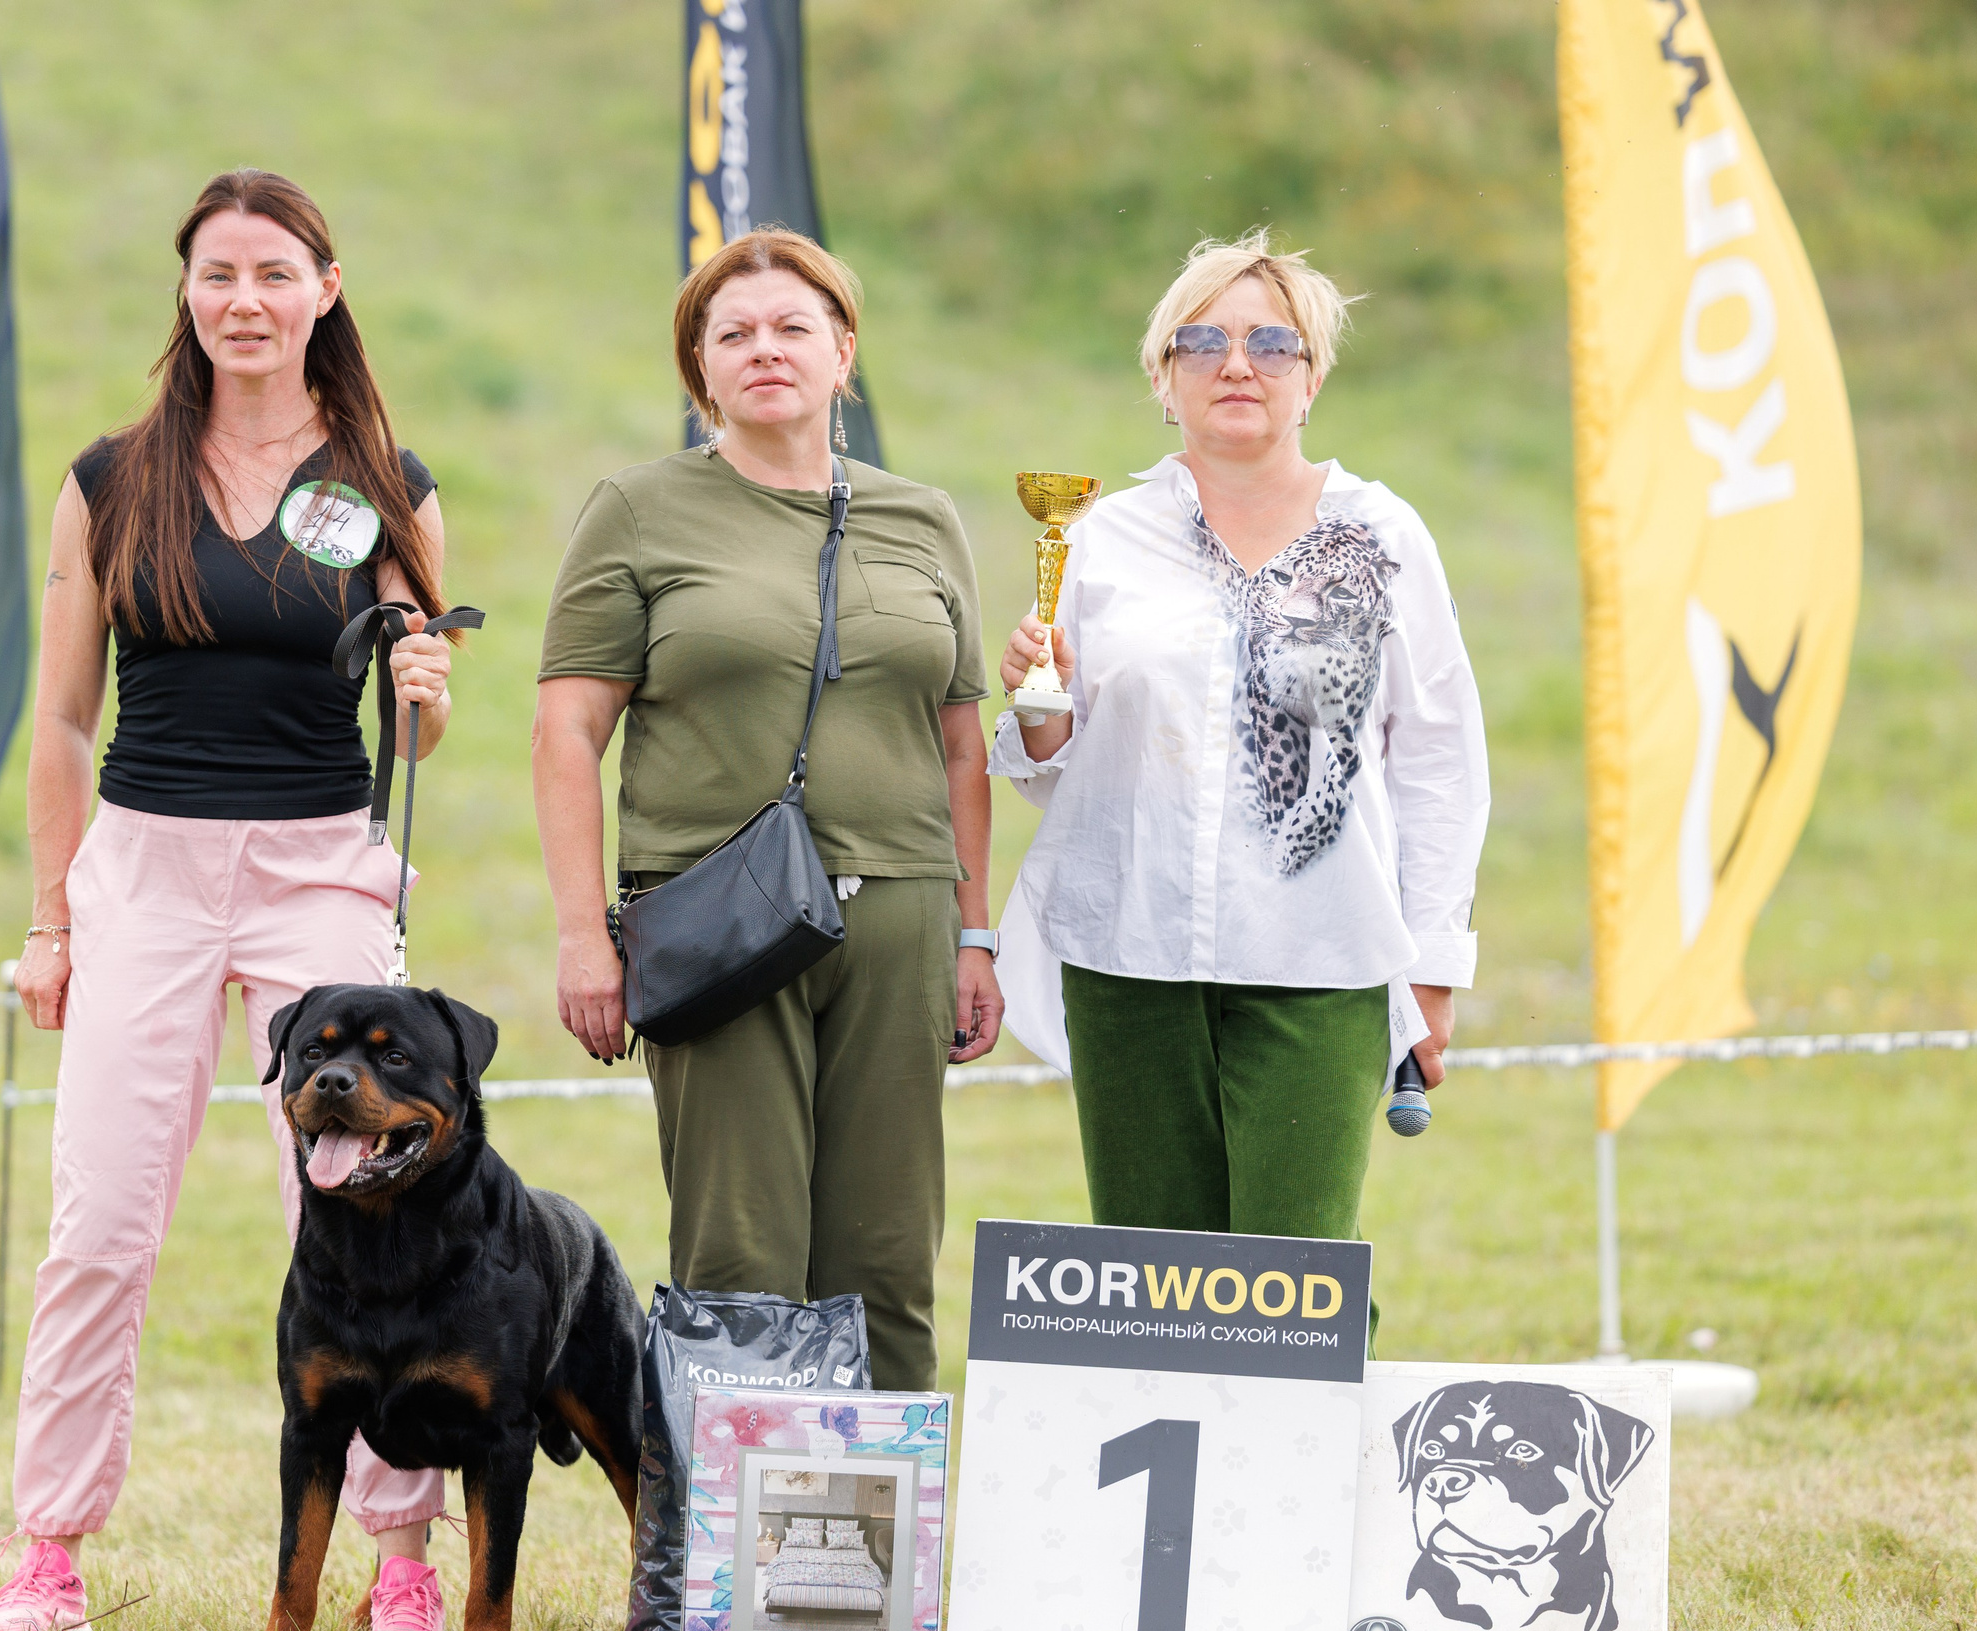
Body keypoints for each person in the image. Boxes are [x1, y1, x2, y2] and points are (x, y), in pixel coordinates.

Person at [0, 170, 466, 1631]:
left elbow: (419, 731)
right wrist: (52, 921)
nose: (243, 300)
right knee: (102, 1218)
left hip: (320, 870)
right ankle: (49, 1557)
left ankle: (401, 1567)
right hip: (147, 872)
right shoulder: (114, 478)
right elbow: (61, 718)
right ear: (187, 293)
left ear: (326, 287)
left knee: (367, 1214)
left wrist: (431, 701)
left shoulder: (386, 478)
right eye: (215, 274)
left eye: (273, 273)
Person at [532, 228, 1000, 1395]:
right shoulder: (638, 512)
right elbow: (566, 732)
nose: (764, 350)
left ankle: (886, 1553)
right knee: (741, 1252)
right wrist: (584, 933)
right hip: (714, 920)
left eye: (793, 327)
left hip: (900, 915)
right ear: (699, 370)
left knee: (888, 1249)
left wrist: (973, 930)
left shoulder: (924, 518)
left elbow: (959, 742)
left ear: (845, 352)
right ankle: (733, 1562)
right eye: (730, 334)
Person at [989, 230, 1488, 1261]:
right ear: (1163, 382)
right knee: (1153, 1278)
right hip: (1125, 957)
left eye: (1272, 342)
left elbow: (1436, 758)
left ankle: (1316, 1433)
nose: (1236, 364)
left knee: (1298, 1281)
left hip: (1320, 956)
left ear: (1310, 380)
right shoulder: (1098, 536)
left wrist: (1434, 963)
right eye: (1200, 341)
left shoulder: (1383, 536)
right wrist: (1037, 704)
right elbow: (1058, 766)